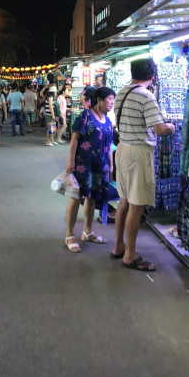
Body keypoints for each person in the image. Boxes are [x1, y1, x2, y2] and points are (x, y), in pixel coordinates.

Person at [112, 58, 175, 272]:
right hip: (138, 153)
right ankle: (130, 255)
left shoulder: (121, 92)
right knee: (136, 206)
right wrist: (171, 127)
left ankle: (118, 246)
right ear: (152, 76)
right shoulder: (145, 96)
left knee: (124, 202)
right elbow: (159, 129)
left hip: (122, 149)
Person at [65, 87, 116, 253]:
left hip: (100, 166)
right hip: (83, 164)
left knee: (92, 197)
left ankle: (87, 232)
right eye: (109, 99)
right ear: (99, 100)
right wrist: (71, 161)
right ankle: (69, 235)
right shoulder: (86, 116)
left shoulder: (107, 121)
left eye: (113, 100)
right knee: (76, 197)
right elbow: (74, 139)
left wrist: (111, 166)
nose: (112, 103)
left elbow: (109, 146)